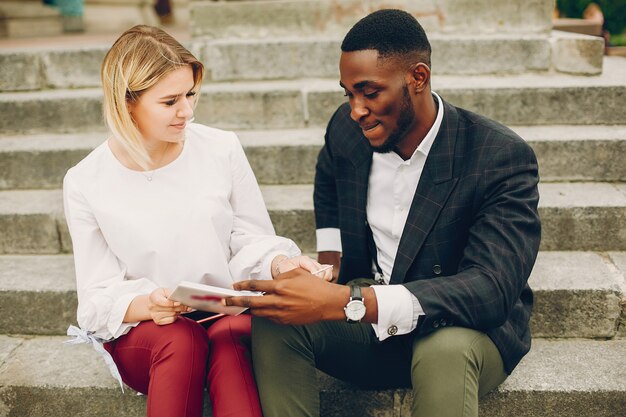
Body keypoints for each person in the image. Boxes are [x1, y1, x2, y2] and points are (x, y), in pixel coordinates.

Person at [225, 9, 541, 417]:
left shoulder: (498, 156)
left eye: (370, 92)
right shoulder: (349, 128)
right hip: (373, 324)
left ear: (418, 77)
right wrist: (330, 258)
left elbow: (492, 288)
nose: (356, 109)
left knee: (443, 350)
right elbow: (327, 177)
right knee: (276, 314)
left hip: (459, 330)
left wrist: (347, 300)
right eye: (348, 93)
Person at [62, 25, 331, 417]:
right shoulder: (85, 180)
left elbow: (250, 237)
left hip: (225, 313)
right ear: (127, 102)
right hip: (148, 333)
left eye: (190, 94)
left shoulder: (221, 148)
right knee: (181, 340)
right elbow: (96, 297)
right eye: (170, 101)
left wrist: (281, 264)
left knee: (228, 338)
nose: (186, 110)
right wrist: (147, 304)